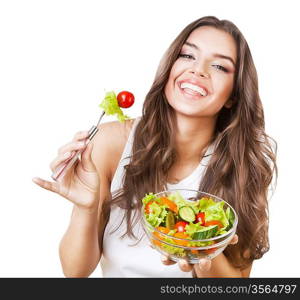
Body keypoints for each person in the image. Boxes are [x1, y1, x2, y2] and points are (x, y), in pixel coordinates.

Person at [32, 16, 277, 278]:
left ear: (234, 96)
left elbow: (238, 282)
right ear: (170, 67)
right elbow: (75, 271)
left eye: (219, 66)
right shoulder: (110, 142)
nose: (199, 70)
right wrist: (86, 208)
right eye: (187, 55)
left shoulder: (243, 163)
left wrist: (205, 257)